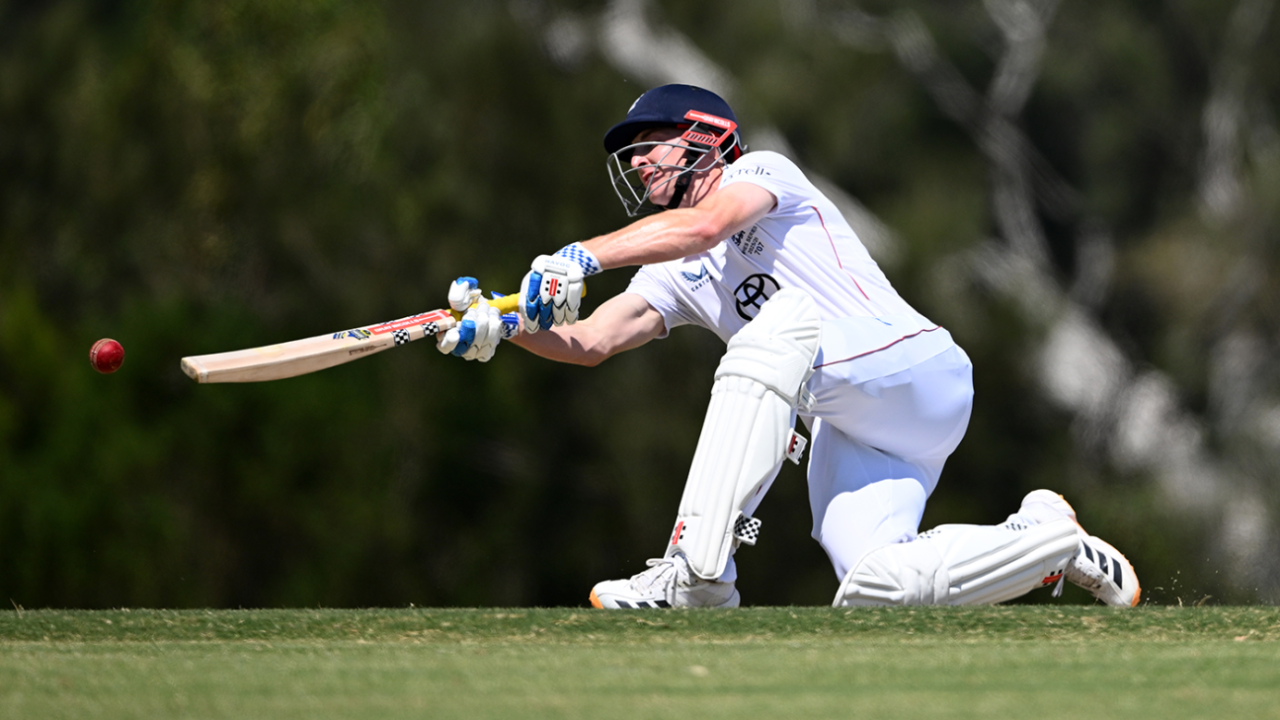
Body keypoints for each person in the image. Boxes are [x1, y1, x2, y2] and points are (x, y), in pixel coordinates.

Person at [437, 84, 1140, 608]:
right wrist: (512, 329)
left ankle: (696, 576)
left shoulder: (759, 173)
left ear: (704, 135)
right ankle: (1044, 538)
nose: (640, 161)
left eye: (650, 141)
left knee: (773, 332)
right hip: (854, 423)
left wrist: (581, 256)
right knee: (874, 587)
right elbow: (593, 339)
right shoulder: (673, 270)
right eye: (633, 153)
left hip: (912, 369)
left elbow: (705, 228)